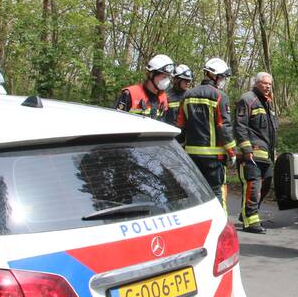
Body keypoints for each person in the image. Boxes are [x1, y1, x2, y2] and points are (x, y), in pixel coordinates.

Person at [178, 57, 236, 207]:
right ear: (214, 76)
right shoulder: (220, 96)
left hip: (191, 156)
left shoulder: (187, 95)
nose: (224, 81)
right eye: (222, 77)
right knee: (216, 192)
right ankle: (219, 221)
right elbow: (224, 127)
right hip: (214, 158)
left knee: (196, 194)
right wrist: (232, 152)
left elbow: (180, 125)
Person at [233, 72, 278, 235]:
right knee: (253, 185)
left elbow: (271, 131)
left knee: (265, 184)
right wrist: (246, 149)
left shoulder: (268, 103)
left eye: (270, 84)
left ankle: (246, 212)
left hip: (266, 155)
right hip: (251, 153)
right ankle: (250, 221)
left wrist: (274, 151)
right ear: (257, 83)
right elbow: (240, 126)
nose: (268, 87)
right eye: (265, 83)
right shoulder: (247, 99)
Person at [113, 54, 174, 119]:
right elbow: (116, 120)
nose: (167, 80)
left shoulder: (163, 97)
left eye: (168, 77)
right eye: (164, 77)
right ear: (151, 74)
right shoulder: (130, 94)